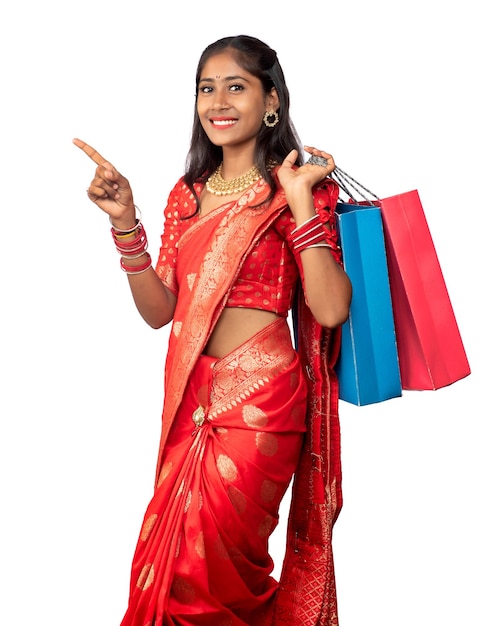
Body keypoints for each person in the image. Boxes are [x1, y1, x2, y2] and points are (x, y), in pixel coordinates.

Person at [74, 34, 352, 626]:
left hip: (262, 403)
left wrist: (300, 201)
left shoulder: (298, 187)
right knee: (173, 567)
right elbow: (160, 311)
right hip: (192, 397)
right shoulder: (187, 194)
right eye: (207, 87)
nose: (218, 101)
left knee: (219, 573)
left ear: (270, 99)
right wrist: (127, 225)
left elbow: (329, 309)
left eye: (236, 86)